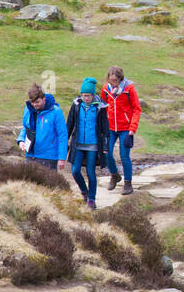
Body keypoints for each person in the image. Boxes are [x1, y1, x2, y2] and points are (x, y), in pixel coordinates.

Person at [66, 78, 110, 210]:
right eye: (83, 95)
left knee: (91, 173)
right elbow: (69, 124)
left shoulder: (100, 107)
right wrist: (64, 142)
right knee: (75, 171)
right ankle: (84, 191)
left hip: (93, 145)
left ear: (93, 95)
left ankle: (91, 199)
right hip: (78, 144)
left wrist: (106, 146)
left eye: (88, 95)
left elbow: (105, 128)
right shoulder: (76, 105)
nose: (85, 98)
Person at [100, 65, 141, 195]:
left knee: (124, 156)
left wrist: (132, 128)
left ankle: (128, 184)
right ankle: (115, 175)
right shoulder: (106, 89)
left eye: (116, 80)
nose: (113, 83)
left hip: (125, 129)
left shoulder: (129, 89)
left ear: (120, 78)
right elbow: (102, 106)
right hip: (110, 128)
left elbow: (137, 109)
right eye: (111, 80)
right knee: (107, 153)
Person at [16, 83, 67, 167]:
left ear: (44, 99)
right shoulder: (28, 110)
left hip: (49, 157)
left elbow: (62, 135)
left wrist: (62, 158)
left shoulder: (56, 112)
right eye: (32, 102)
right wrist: (21, 140)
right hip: (30, 156)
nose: (35, 105)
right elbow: (25, 128)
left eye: (37, 102)